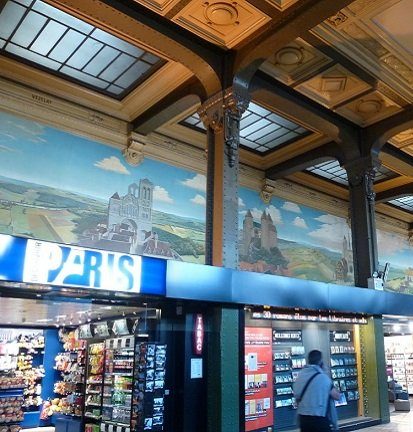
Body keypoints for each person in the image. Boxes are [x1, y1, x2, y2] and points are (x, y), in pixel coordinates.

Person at [293, 349, 340, 432]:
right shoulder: (323, 377)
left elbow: (296, 396)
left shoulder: (300, 376)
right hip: (319, 419)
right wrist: (326, 373)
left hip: (303, 419)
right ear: (321, 361)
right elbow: (336, 396)